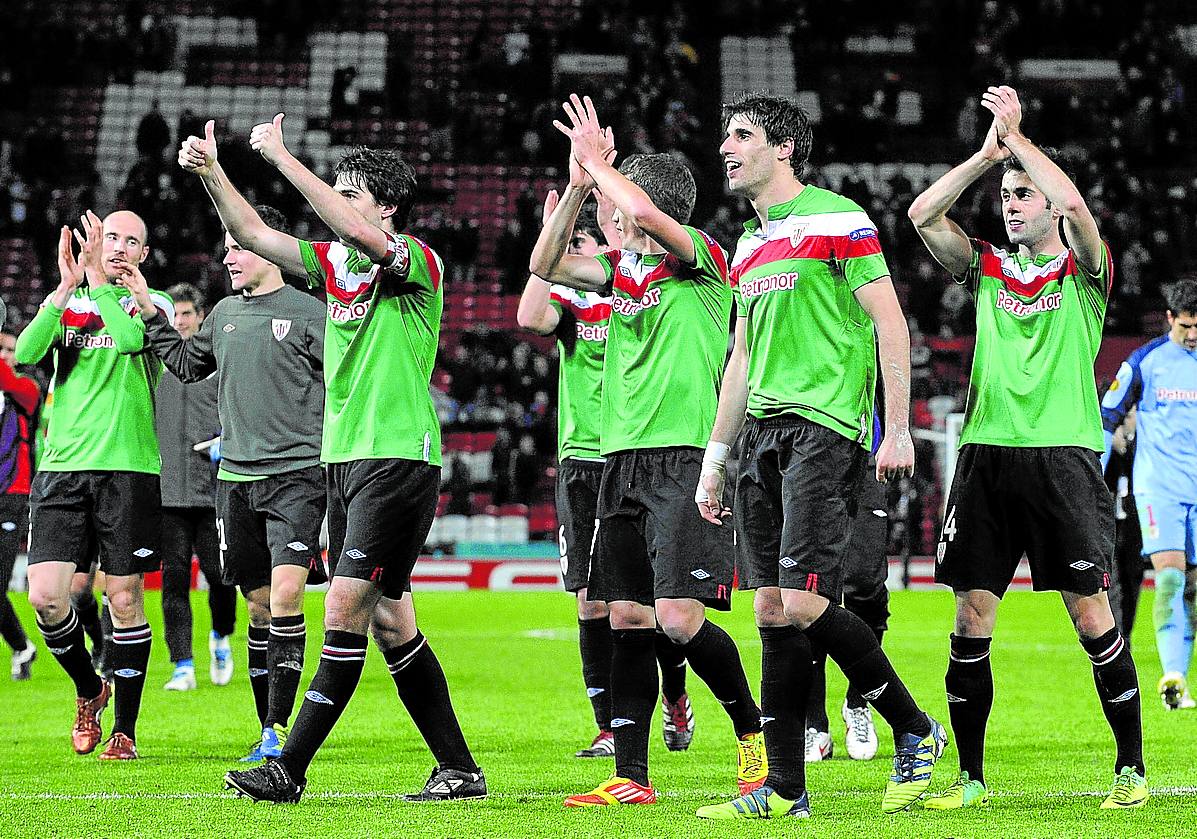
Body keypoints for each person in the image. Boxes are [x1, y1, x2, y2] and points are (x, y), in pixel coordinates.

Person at [180, 116, 482, 803]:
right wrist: (212, 175)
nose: (339, 203)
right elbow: (256, 235)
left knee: (344, 605)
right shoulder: (335, 268)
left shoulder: (415, 259)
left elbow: (355, 234)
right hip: (343, 460)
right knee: (389, 620)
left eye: (351, 193)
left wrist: (284, 158)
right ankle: (459, 768)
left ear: (386, 206)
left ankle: (287, 766)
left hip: (396, 456)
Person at [694, 92, 943, 821]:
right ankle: (783, 788)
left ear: (783, 148)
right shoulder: (745, 242)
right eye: (724, 136)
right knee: (771, 609)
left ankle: (912, 725)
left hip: (824, 427)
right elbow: (740, 355)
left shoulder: (840, 219)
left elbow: (889, 321)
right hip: (760, 436)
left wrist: (895, 427)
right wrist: (715, 457)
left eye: (740, 135)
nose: (725, 148)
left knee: (804, 599)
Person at [907, 85, 1146, 809]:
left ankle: (1128, 769)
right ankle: (971, 778)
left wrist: (1021, 143)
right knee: (969, 617)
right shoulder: (983, 266)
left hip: (1063, 458)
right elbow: (921, 215)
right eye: (1005, 195)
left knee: (1089, 615)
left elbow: (1075, 209)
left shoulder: (1084, 273)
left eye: (1021, 194)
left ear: (1044, 201)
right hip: (984, 454)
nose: (1010, 204)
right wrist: (986, 154)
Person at [532, 95, 766, 808]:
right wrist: (577, 184)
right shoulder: (618, 272)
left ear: (641, 208)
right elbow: (542, 265)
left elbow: (656, 221)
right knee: (626, 615)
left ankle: (752, 739)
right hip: (619, 459)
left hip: (683, 457)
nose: (608, 213)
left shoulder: (702, 258)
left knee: (679, 618)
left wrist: (602, 166)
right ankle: (631, 777)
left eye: (614, 200)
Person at [123, 206, 327, 762]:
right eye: (227, 249)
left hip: (296, 478)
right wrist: (148, 310)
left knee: (286, 597)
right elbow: (188, 365)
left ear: (267, 247)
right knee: (260, 606)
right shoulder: (224, 314)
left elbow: (345, 385)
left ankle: (282, 734)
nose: (228, 258)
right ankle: (267, 728)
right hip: (234, 482)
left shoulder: (311, 313)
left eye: (237, 247)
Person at [517, 193, 693, 760]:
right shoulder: (574, 307)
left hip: (640, 454)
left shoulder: (642, 291)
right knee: (593, 601)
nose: (576, 255)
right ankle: (608, 725)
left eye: (583, 244)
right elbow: (529, 316)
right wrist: (555, 228)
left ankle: (674, 695)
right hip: (582, 462)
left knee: (650, 601)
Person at [16, 210, 172, 760]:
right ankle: (89, 688)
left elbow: (130, 340)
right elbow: (30, 353)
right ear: (94, 242)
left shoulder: (153, 305)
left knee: (124, 598)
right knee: (46, 598)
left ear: (144, 254)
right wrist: (63, 289)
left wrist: (102, 285)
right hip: (61, 469)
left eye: (133, 240)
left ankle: (124, 730)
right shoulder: (70, 307)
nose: (121, 246)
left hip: (128, 468)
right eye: (112, 237)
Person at [1099, 279, 1197, 711]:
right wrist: (1090, 479)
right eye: (1186, 327)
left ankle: (1180, 676)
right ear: (1170, 319)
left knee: (1193, 586)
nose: (1193, 336)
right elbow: (1107, 417)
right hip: (1160, 487)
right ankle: (1171, 675)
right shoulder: (1146, 361)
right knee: (1172, 576)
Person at [154, 282, 237, 693]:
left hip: (213, 491)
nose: (181, 321)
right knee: (173, 581)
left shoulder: (220, 363)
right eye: (175, 314)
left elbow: (243, 412)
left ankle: (221, 635)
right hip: (168, 493)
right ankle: (182, 664)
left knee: (222, 578)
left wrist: (225, 445)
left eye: (187, 314)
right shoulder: (154, 363)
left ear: (201, 317)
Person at [803, 452, 890, 764]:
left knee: (867, 586)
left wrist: (897, 434)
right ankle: (814, 724)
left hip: (865, 452)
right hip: (809, 457)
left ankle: (858, 702)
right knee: (810, 589)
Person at [0, 329, 41, 679]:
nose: (7, 355)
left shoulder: (26, 390)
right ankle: (22, 647)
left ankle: (20, 646)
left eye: (11, 350)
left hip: (12, 497)